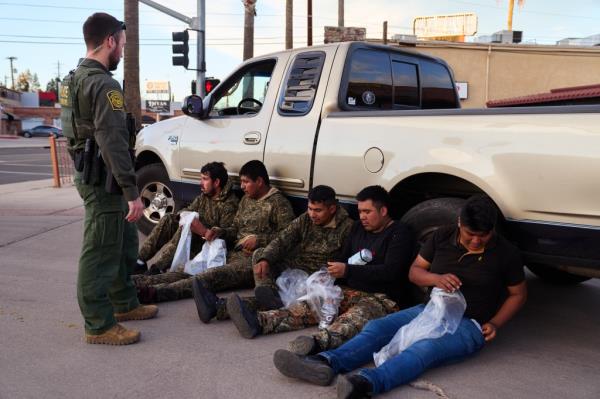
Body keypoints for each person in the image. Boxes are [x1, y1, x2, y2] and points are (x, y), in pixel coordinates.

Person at [273, 195, 527, 398]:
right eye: (470, 234)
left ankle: (367, 383)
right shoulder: (441, 236)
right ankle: (325, 362)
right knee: (378, 327)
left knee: (424, 349)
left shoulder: (506, 253)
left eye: (482, 236)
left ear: (492, 230)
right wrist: (436, 279)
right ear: (460, 223)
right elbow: (415, 272)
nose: (475, 241)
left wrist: (495, 323)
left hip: (468, 323)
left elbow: (518, 294)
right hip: (430, 308)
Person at [60, 13, 157, 345]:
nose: (123, 52)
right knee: (101, 249)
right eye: (122, 45)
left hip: (97, 173)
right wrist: (132, 191)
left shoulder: (72, 79)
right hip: (105, 178)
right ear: (110, 41)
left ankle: (124, 303)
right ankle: (98, 324)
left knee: (122, 242)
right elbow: (112, 140)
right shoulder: (103, 84)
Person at [263, 185, 417, 355]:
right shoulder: (358, 228)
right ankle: (260, 321)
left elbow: (391, 272)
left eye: (367, 212)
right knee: (308, 306)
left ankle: (315, 345)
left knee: (351, 321)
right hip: (349, 290)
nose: (362, 217)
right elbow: (344, 258)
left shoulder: (399, 233)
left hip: (381, 297)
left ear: (383, 211)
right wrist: (329, 273)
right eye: (360, 212)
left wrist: (347, 271)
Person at [197, 185, 354, 335]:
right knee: (260, 254)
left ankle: (217, 307)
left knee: (280, 297)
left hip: (315, 278)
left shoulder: (347, 228)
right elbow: (283, 240)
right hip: (295, 267)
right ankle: (268, 292)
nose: (312, 214)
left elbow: (347, 263)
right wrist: (266, 259)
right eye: (310, 209)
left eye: (318, 210)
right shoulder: (306, 219)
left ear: (332, 209)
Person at [135, 160, 294, 304]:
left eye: (246, 182)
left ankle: (155, 294)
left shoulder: (279, 204)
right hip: (230, 252)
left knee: (207, 276)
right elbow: (235, 229)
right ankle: (135, 282)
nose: (243, 187)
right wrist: (218, 232)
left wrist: (259, 240)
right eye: (242, 182)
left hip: (251, 259)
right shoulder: (247, 200)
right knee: (188, 271)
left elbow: (287, 238)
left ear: (259, 181)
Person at [134, 161, 238, 275]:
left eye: (205, 179)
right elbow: (188, 209)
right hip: (195, 236)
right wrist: (184, 217)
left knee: (187, 227)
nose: (201, 183)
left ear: (217, 182)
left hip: (206, 245)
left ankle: (158, 267)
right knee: (169, 219)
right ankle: (140, 260)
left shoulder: (229, 204)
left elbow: (227, 236)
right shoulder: (205, 196)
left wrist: (203, 231)